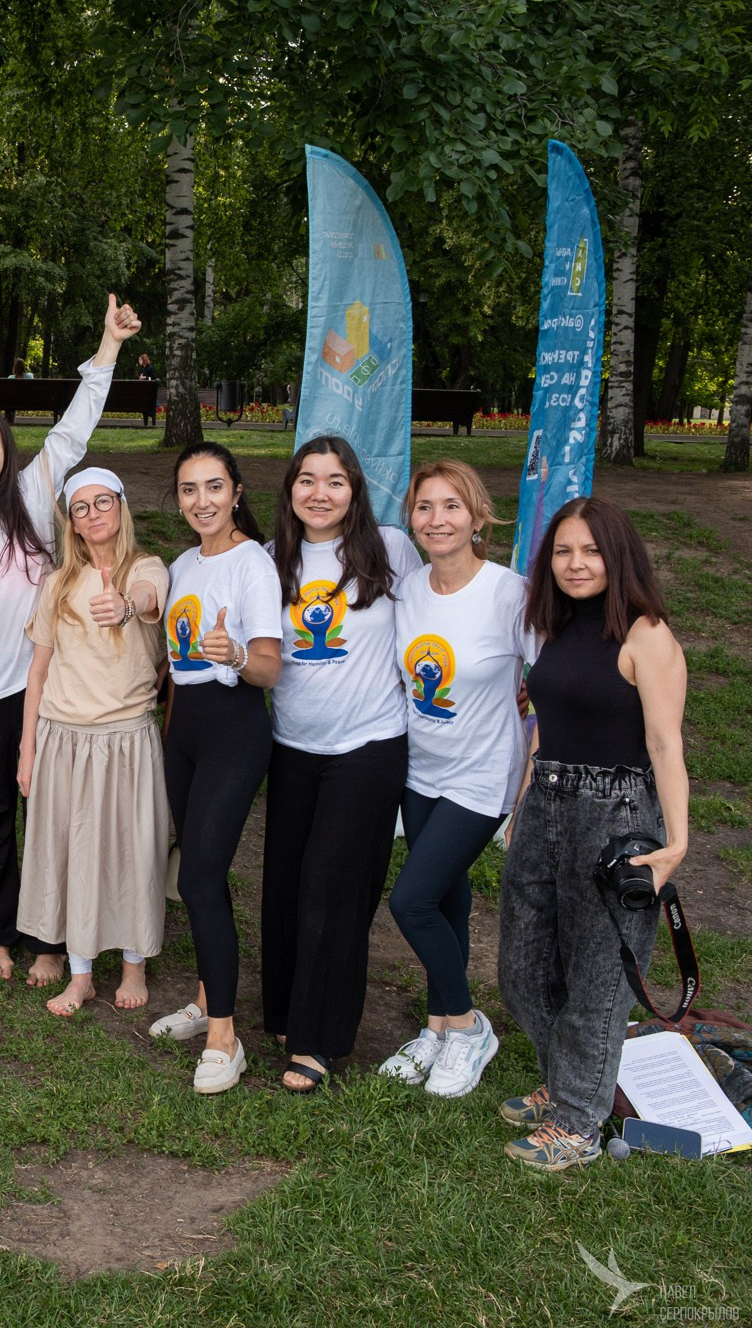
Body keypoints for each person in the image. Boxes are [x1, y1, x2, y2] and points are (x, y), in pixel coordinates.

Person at [0, 293, 140, 986]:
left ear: (5, 451)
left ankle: (54, 935)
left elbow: (75, 428)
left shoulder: (30, 496)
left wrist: (109, 345)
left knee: (56, 818)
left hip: (38, 688)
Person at [498, 496, 688, 1170]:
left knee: (598, 976)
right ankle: (577, 1077)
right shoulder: (553, 625)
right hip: (547, 800)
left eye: (590, 551)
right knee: (521, 969)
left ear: (618, 555)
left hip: (617, 812)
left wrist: (677, 843)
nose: (576, 564)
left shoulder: (647, 635)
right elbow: (547, 717)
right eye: (563, 551)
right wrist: (524, 799)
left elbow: (665, 743)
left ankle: (577, 1119)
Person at [260, 437, 421, 1092]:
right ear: (290, 489)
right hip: (294, 747)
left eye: (334, 481)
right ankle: (285, 1011)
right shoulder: (271, 560)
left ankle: (320, 1038)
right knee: (285, 888)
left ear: (355, 489)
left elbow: (439, 611)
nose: (319, 493)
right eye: (306, 480)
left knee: (333, 890)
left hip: (368, 749)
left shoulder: (390, 549)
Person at [378, 460, 533, 1099]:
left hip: (482, 775)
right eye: (424, 508)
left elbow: (551, 682)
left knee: (409, 900)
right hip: (423, 772)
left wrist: (534, 778)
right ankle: (439, 1027)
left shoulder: (510, 593)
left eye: (451, 507)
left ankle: (470, 1026)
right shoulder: (406, 591)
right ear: (411, 519)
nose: (437, 520)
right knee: (446, 898)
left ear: (476, 517)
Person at [150, 441, 282, 1094]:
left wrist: (232, 654)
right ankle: (206, 998)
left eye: (213, 487)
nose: (201, 500)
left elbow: (268, 667)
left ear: (235, 492)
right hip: (185, 734)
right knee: (199, 876)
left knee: (201, 873)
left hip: (235, 729)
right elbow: (172, 662)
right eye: (188, 489)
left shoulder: (252, 563)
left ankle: (226, 1038)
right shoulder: (181, 562)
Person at [17, 467, 170, 1016]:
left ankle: (134, 964)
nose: (92, 514)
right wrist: (27, 749)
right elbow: (38, 671)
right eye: (80, 508)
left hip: (125, 739)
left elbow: (150, 599)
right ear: (72, 524)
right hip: (63, 738)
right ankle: (79, 971)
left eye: (102, 502)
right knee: (72, 852)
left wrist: (126, 606)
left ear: (121, 506)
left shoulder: (146, 568)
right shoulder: (57, 582)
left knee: (132, 850)